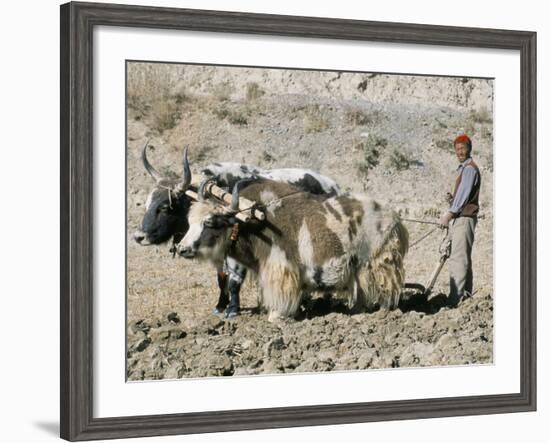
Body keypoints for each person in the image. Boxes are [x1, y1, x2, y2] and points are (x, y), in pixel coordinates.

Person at [438, 134, 481, 307]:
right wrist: (453, 200)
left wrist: (448, 215)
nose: (460, 152)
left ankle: (455, 301)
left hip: (464, 219)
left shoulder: (469, 169)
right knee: (463, 258)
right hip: (464, 218)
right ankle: (466, 298)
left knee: (458, 258)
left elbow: (463, 197)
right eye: (457, 149)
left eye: (463, 148)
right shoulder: (465, 169)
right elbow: (462, 196)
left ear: (469, 148)